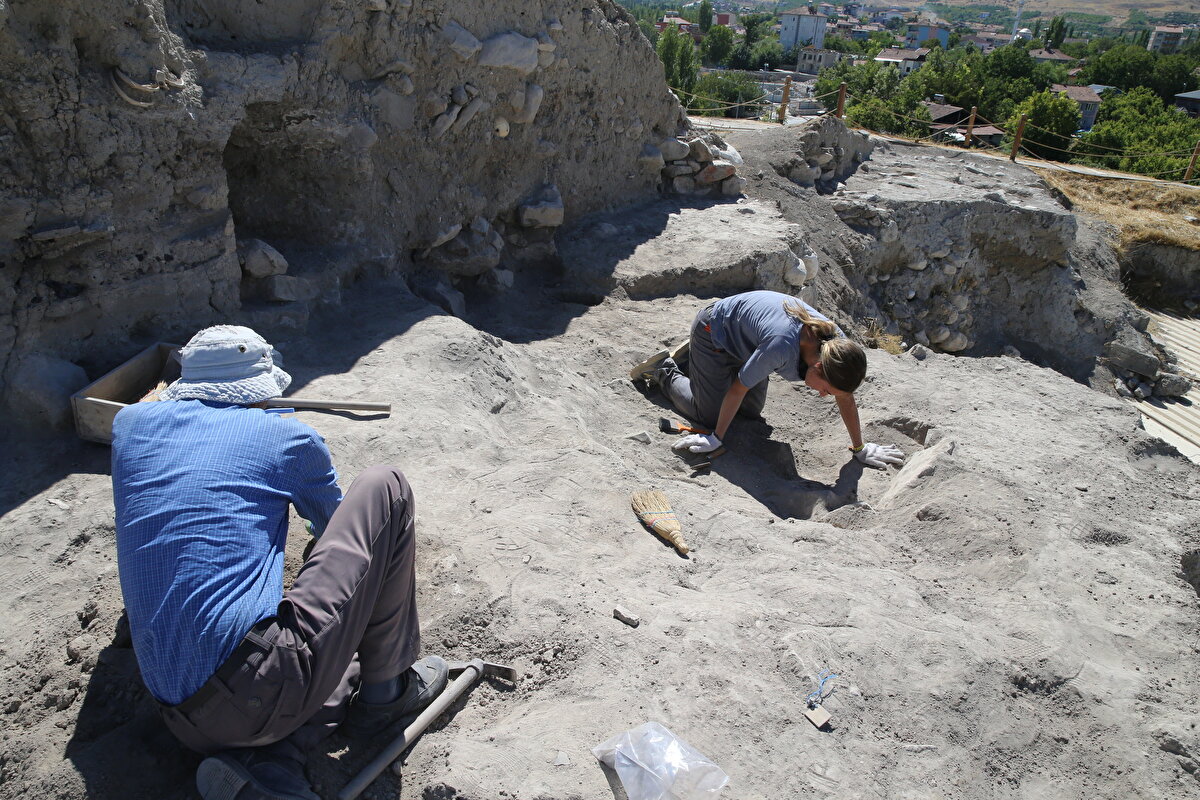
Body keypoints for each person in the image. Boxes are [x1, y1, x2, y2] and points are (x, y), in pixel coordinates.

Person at [111, 325, 448, 800]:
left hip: (178, 711)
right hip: (254, 695)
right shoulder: (286, 437)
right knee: (384, 486)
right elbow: (339, 534)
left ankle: (271, 762)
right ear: (261, 389)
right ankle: (386, 698)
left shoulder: (128, 426)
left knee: (312, 652)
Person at [631, 290, 905, 468]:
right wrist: (716, 437)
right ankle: (665, 369)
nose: (824, 395)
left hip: (749, 345)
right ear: (818, 367)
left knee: (750, 411)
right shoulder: (781, 346)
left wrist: (859, 448)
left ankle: (702, 368)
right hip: (713, 332)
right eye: (825, 390)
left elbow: (845, 395)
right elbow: (738, 389)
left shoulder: (837, 349)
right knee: (710, 415)